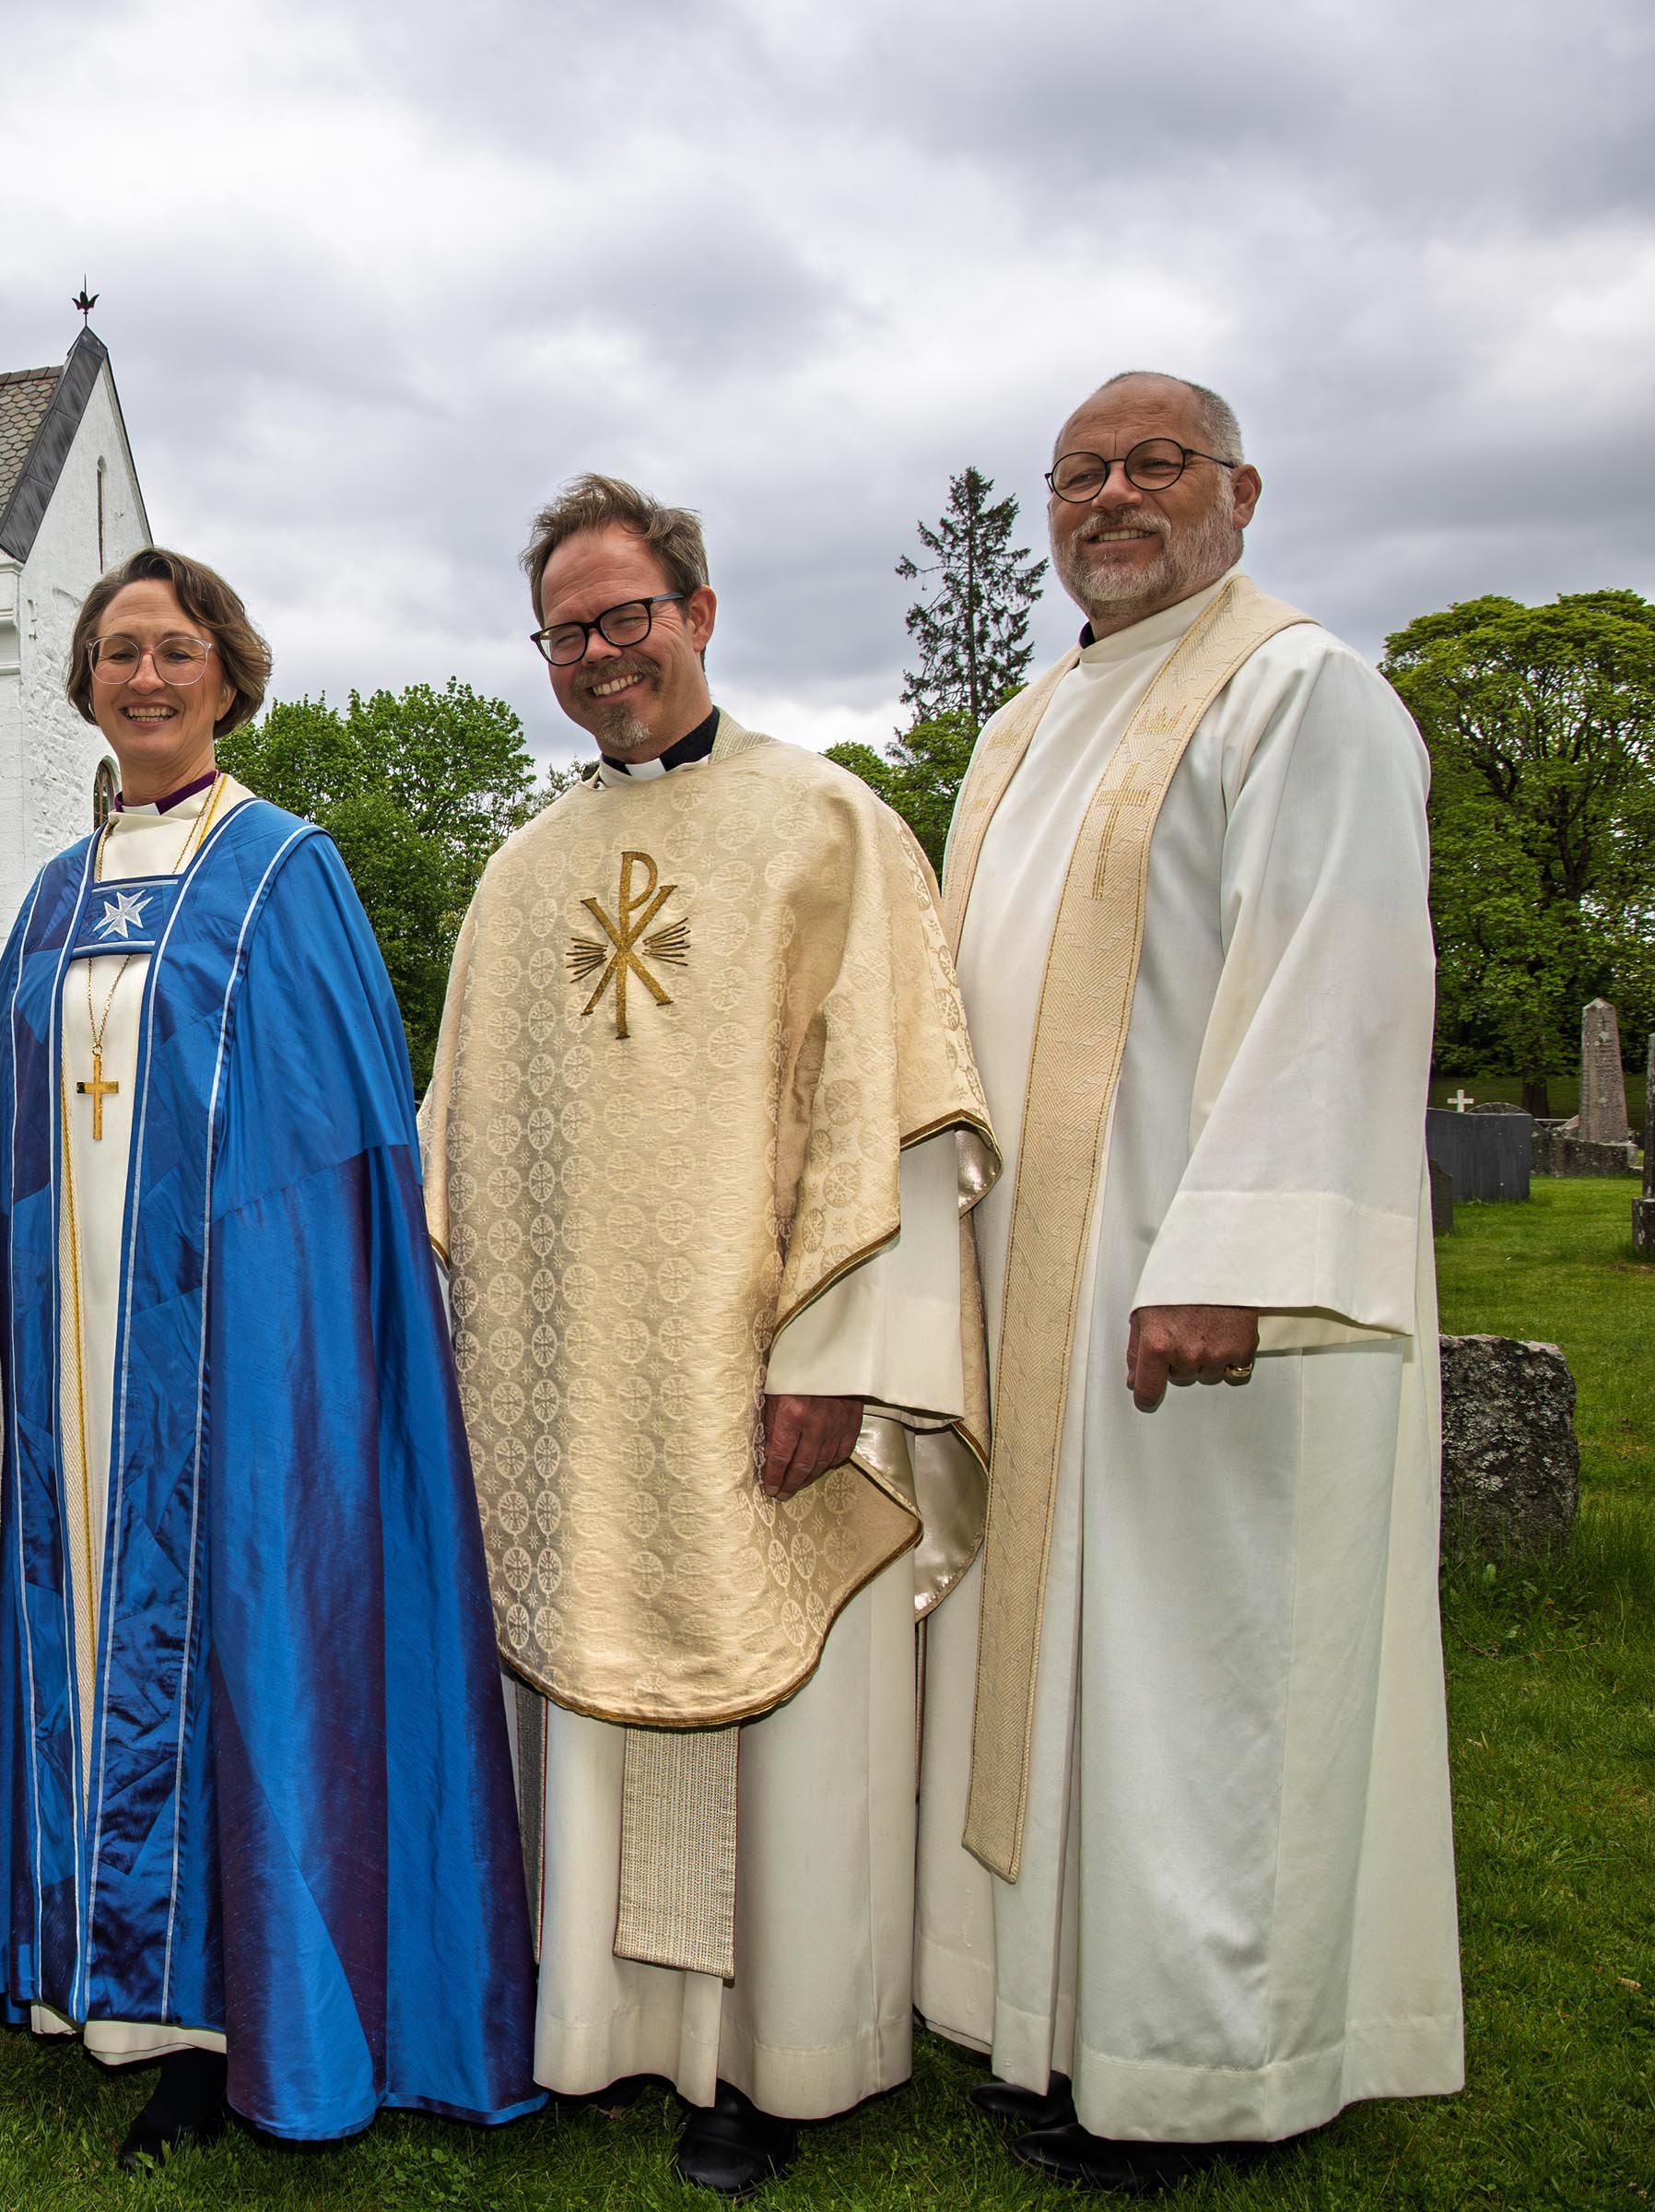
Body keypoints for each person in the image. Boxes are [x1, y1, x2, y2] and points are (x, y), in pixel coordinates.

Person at [917, 373, 1463, 2192]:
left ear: (1240, 491)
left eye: (1155, 465)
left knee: (1199, 1679)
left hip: (1193, 1301)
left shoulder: (1295, 688)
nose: (1112, 497)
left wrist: (1228, 1259)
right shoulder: (1024, 724)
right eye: (1080, 474)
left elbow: (1342, 977)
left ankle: (1202, 2064)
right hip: (1030, 1291)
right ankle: (1057, 2025)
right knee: (1060, 1666)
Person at [421, 477, 995, 2197]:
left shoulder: (829, 826)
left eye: (630, 616)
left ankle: (776, 2055)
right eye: (570, 631)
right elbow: (463, 1145)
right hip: (577, 1395)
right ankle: (598, 2030)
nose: (604, 654)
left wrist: (833, 1361)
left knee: (781, 1727)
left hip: (764, 1370)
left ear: (701, 611)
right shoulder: (522, 873)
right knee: (589, 1714)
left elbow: (889, 1120)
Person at [0, 547, 541, 2169]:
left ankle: (230, 2014)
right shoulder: (53, 891)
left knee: (240, 1661)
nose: (144, 678)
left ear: (229, 674)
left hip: (234, 1371)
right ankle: (92, 1979)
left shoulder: (286, 871)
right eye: (117, 652)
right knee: (84, 1651)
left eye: (175, 651)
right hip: (74, 1374)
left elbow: (346, 1149)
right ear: (85, 680)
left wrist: (281, 1358)